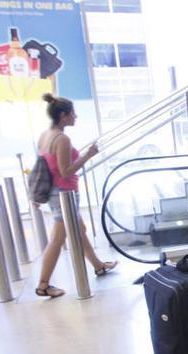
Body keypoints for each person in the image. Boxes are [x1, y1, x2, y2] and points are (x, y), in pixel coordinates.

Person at [35, 94, 116, 298]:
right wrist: (87, 156)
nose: (75, 117)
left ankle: (98, 265)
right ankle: (43, 284)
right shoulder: (62, 139)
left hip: (57, 192)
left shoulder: (45, 135)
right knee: (57, 239)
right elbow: (65, 170)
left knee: (80, 230)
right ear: (63, 115)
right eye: (72, 114)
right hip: (64, 194)